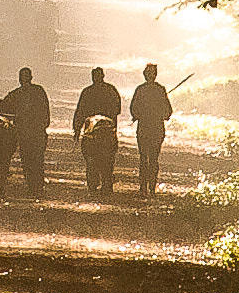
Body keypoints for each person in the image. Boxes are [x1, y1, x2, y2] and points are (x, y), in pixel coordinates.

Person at [0, 66, 51, 198]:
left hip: (26, 132)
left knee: (28, 160)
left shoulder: (17, 93)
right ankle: (37, 187)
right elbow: (46, 111)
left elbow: (2, 105)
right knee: (37, 159)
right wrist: (44, 126)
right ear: (31, 77)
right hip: (36, 132)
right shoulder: (39, 91)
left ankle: (32, 187)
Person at [130, 63, 173, 200]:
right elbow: (168, 112)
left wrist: (138, 115)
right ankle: (151, 188)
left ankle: (144, 187)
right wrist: (161, 115)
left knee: (144, 158)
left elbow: (133, 109)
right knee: (153, 159)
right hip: (156, 128)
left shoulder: (140, 90)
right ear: (155, 75)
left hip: (144, 128)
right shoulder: (160, 90)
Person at [71, 65, 122, 141]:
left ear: (102, 76)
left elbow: (117, 109)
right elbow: (81, 111)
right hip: (96, 127)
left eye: (97, 75)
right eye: (95, 75)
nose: (96, 77)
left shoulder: (89, 91)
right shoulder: (109, 89)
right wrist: (77, 129)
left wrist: (77, 129)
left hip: (104, 127)